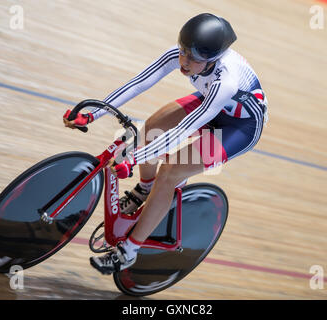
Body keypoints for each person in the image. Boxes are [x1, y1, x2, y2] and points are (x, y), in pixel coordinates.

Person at [63, 13, 268, 274]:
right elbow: (138, 83)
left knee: (171, 171)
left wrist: (133, 159)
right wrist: (93, 113)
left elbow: (184, 129)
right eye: (182, 51)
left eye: (192, 59)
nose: (183, 61)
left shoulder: (225, 81)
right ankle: (144, 190)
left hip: (240, 126)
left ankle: (128, 252)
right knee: (149, 129)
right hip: (213, 104)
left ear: (212, 60)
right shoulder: (185, 54)